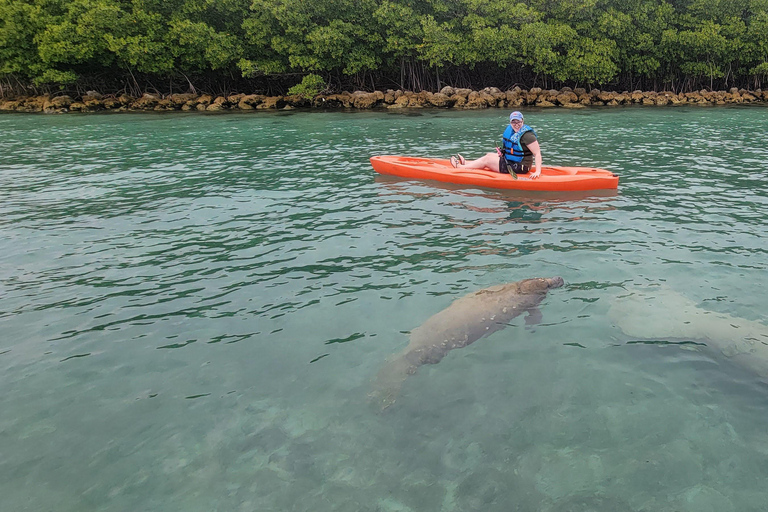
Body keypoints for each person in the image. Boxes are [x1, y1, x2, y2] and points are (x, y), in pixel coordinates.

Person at [450, 111, 542, 179]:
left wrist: (537, 171)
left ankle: (461, 168)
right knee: (489, 155)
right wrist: (503, 152)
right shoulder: (511, 131)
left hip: (521, 167)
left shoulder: (528, 135)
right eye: (513, 122)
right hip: (512, 162)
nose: (516, 124)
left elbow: (537, 153)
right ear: (510, 122)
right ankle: (467, 164)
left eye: (518, 122)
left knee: (488, 160)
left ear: (522, 121)